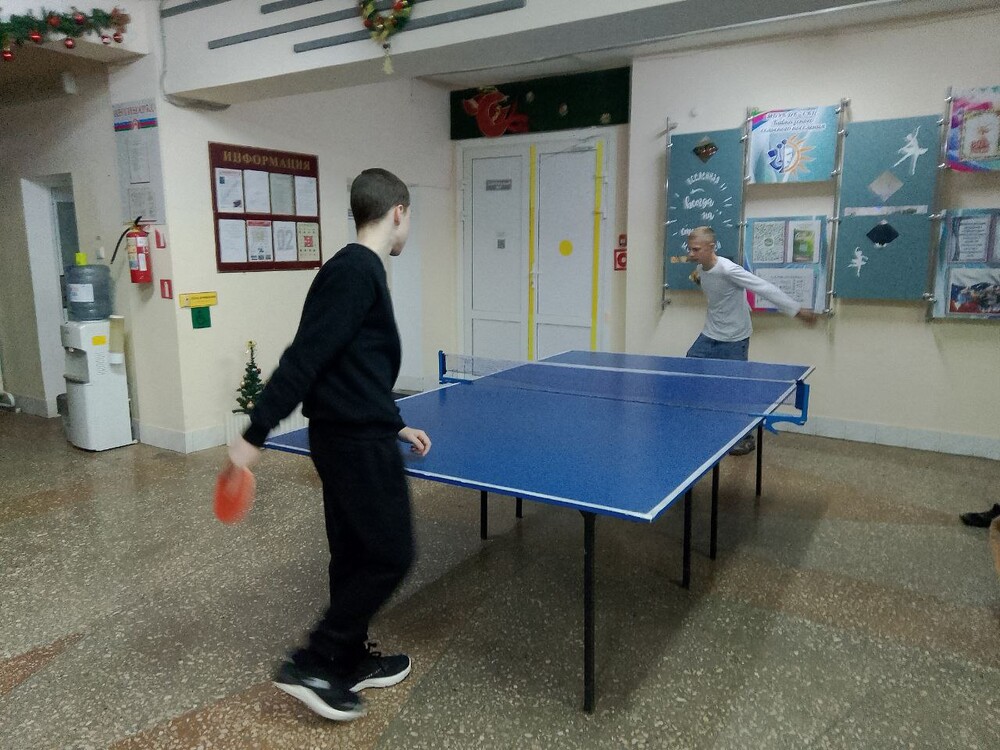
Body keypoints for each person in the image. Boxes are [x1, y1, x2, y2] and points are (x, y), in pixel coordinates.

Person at [225, 168, 432, 722]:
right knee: (390, 554)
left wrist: (394, 423)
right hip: (353, 442)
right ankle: (315, 662)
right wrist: (255, 433)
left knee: (355, 552)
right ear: (398, 212)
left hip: (353, 433)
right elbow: (306, 358)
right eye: (409, 216)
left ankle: (348, 659)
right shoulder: (355, 272)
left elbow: (352, 365)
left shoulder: (357, 270)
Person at [685, 225, 818, 455]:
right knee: (689, 370)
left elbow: (764, 288)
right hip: (710, 334)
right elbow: (708, 283)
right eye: (690, 249)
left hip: (735, 338)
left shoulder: (729, 270)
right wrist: (698, 279)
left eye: (696, 249)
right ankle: (703, 423)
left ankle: (744, 437)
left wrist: (796, 310)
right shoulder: (700, 269)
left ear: (711, 247)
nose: (691, 253)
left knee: (735, 390)